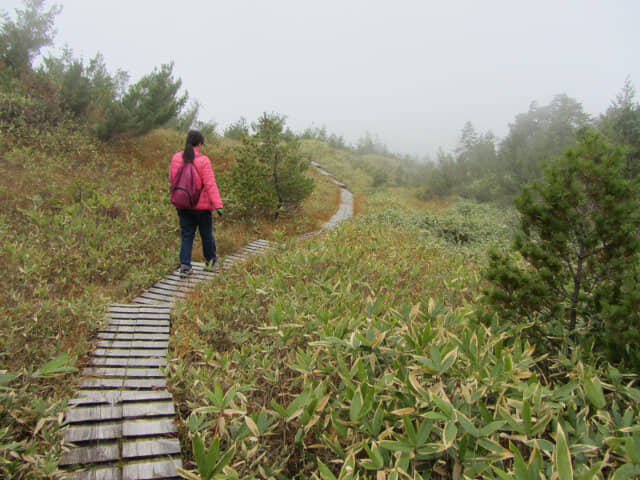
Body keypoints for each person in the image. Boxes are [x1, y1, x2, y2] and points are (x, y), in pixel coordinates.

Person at [169, 130, 223, 277]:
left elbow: (173, 179)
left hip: (182, 204)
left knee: (187, 235)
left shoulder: (176, 158)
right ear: (199, 143)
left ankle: (185, 266)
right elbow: (210, 184)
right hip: (202, 206)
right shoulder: (203, 160)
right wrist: (218, 205)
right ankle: (210, 263)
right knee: (206, 235)